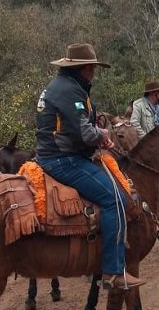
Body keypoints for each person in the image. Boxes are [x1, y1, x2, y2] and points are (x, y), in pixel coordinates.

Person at [35, 43, 143, 289]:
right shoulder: (69, 91)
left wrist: (96, 134)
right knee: (115, 199)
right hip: (63, 159)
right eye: (92, 67)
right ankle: (114, 271)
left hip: (53, 154)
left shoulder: (61, 86)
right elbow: (84, 132)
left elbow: (76, 126)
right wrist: (101, 133)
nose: (94, 72)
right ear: (83, 68)